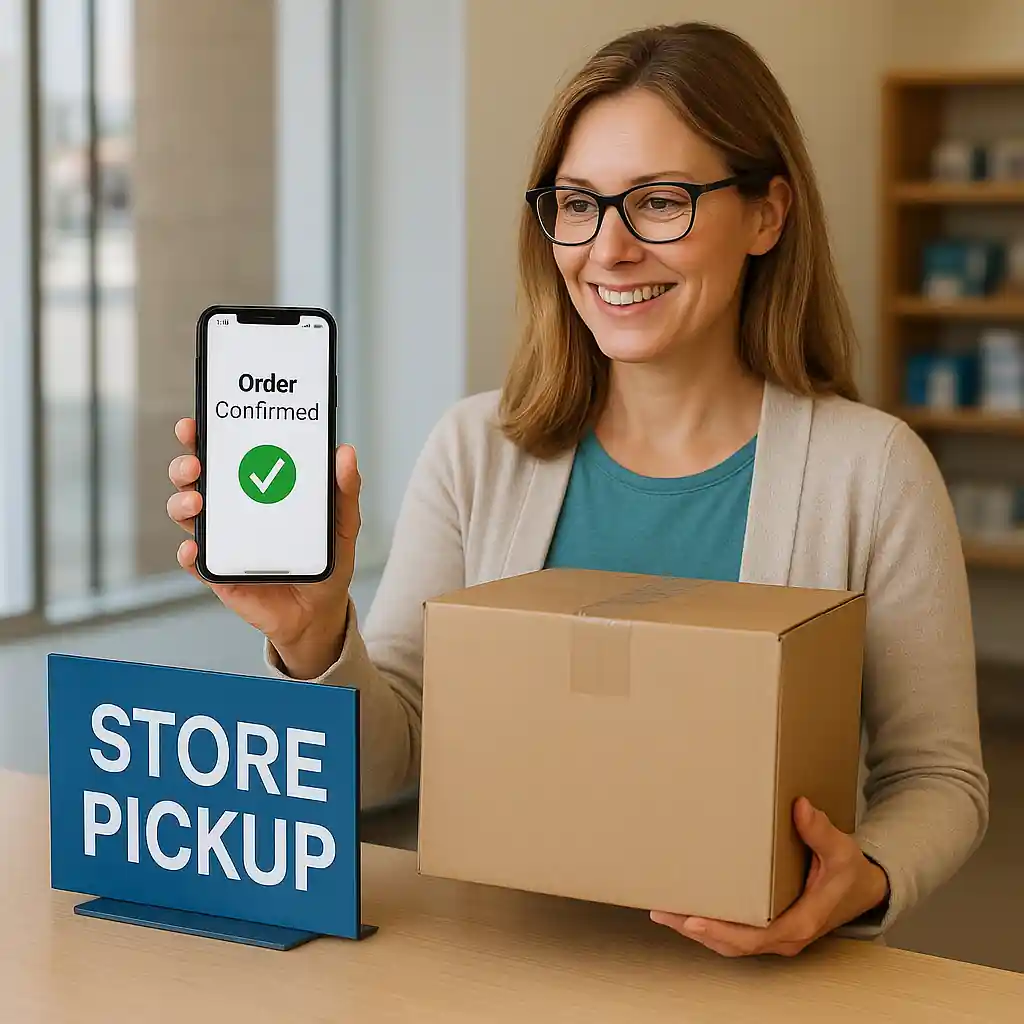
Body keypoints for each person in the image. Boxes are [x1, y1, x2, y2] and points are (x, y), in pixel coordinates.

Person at [167, 21, 988, 958]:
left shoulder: (873, 472)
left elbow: (939, 778)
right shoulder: (477, 448)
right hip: (491, 972)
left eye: (661, 201)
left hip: (756, 985)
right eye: (578, 204)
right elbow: (388, 765)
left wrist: (865, 875)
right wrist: (312, 633)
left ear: (768, 214)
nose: (610, 248)